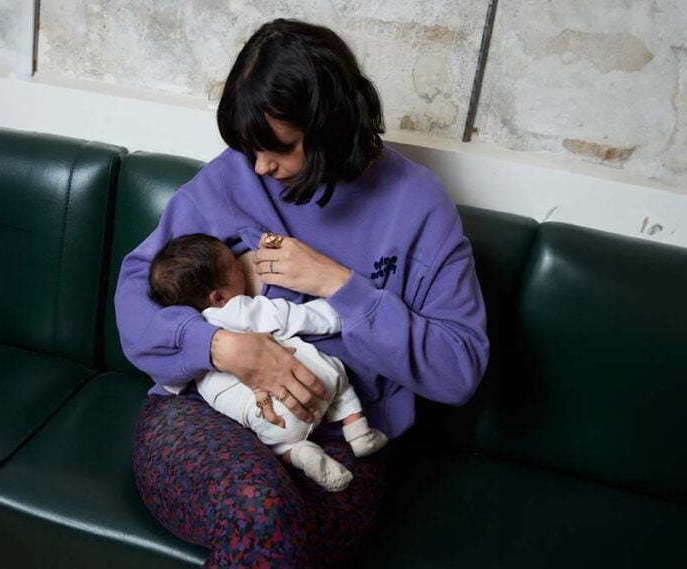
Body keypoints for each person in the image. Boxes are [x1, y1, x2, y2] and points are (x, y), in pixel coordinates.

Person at [116, 18, 489, 567]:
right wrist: (221, 348)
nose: (262, 167)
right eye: (250, 150)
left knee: (276, 534)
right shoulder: (233, 177)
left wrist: (339, 286)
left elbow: (459, 369)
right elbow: (134, 302)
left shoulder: (418, 207)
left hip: (341, 435)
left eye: (280, 148)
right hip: (205, 410)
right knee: (258, 512)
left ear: (333, 126)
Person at [147, 233, 389, 492]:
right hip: (312, 386)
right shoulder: (240, 309)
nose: (242, 267)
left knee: (275, 444)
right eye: (235, 267)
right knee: (338, 371)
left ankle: (299, 454)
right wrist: (342, 313)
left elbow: (170, 380)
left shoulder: (188, 343)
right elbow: (296, 317)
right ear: (218, 298)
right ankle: (358, 431)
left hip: (269, 421)